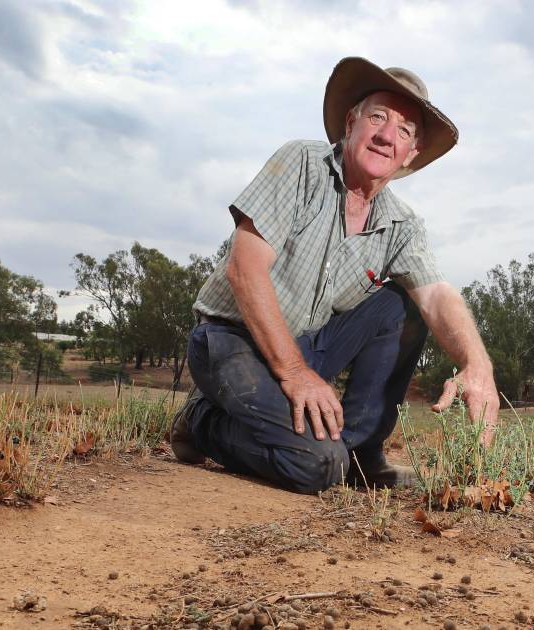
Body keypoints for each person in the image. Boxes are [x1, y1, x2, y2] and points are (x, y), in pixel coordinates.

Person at [171, 57, 499, 494]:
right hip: (231, 341)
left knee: (404, 307)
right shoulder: (302, 163)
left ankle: (361, 456)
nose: (386, 135)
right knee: (318, 466)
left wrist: (477, 366)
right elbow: (243, 269)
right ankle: (202, 422)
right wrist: (294, 372)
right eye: (378, 117)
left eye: (404, 130)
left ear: (411, 153)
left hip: (307, 347)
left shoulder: (401, 224)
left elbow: (437, 295)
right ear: (351, 122)